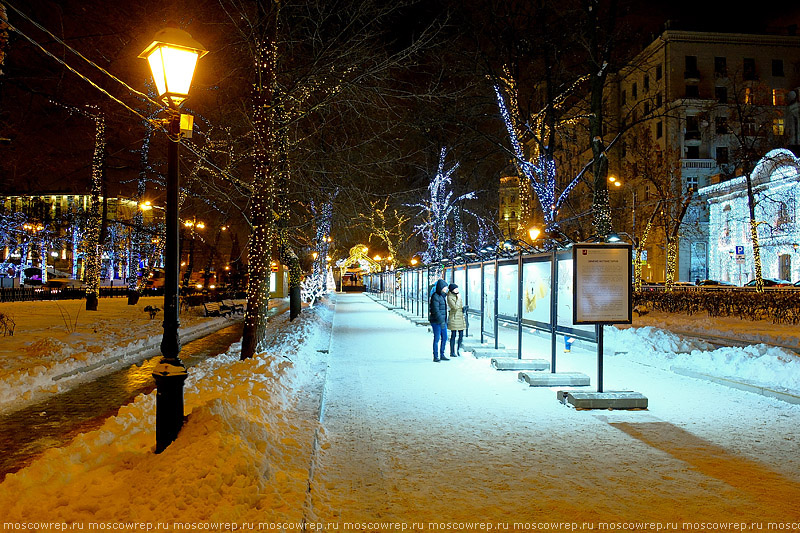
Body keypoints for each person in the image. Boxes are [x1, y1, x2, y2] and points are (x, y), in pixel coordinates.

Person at [428, 279, 449, 362]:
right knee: (437, 338)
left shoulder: (442, 296)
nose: (446, 289)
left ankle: (442, 354)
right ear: (441, 287)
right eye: (445, 287)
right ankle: (436, 356)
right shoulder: (435, 296)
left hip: (442, 321)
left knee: (445, 337)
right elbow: (435, 310)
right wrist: (441, 321)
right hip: (436, 322)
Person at [446, 283, 466, 357]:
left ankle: (458, 349)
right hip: (454, 318)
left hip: (460, 317)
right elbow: (454, 307)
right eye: (455, 289)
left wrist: (463, 308)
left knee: (461, 335)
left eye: (457, 288)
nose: (457, 290)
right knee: (453, 335)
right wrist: (458, 298)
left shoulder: (458, 296)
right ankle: (452, 352)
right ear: (452, 290)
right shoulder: (449, 297)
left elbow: (459, 307)